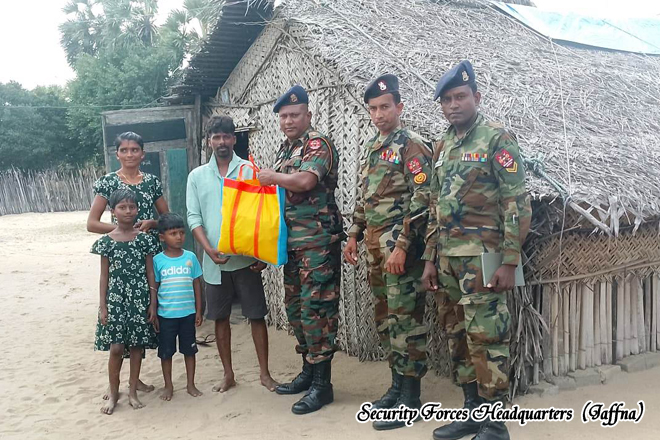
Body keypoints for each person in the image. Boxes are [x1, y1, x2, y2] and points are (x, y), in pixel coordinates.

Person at [421, 60, 532, 440]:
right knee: (458, 338)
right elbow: (435, 205)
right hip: (449, 261)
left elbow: (516, 201)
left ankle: (495, 425)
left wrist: (509, 261)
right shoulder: (443, 144)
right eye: (447, 100)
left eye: (460, 97)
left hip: (485, 259)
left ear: (476, 97)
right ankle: (473, 413)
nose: (453, 105)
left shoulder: (496, 138)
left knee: (489, 339)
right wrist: (430, 258)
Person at [343, 74, 432, 430]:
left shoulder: (412, 145)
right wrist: (354, 234)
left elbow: (423, 199)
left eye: (385, 107)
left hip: (399, 250)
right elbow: (367, 197)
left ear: (399, 107)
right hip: (375, 250)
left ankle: (411, 398)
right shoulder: (372, 147)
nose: (379, 114)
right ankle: (396, 387)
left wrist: (403, 246)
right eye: (373, 109)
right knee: (385, 319)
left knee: (406, 322)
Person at [257, 85, 344, 415]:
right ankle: (308, 372)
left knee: (316, 311)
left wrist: (272, 177)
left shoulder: (317, 144)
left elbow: (307, 181)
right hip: (292, 245)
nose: (288, 121)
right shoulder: (286, 149)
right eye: (283, 116)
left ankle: (323, 385)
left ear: (308, 115)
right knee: (295, 309)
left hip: (317, 244)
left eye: (294, 115)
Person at [186, 115, 278, 393]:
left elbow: (264, 213)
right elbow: (193, 218)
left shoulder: (250, 170)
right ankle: (228, 374)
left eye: (226, 136)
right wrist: (208, 249)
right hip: (214, 264)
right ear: (209, 141)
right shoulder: (197, 176)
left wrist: (262, 255)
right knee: (220, 318)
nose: (222, 142)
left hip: (247, 261)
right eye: (216, 137)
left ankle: (265, 374)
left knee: (256, 316)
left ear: (234, 139)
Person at [87, 131, 169, 397]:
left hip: (146, 256)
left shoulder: (152, 182)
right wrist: (123, 231)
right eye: (124, 150)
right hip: (121, 255)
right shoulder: (108, 182)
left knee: (140, 318)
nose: (130, 154)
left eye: (135, 149)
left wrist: (152, 223)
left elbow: (166, 218)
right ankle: (117, 383)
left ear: (143, 154)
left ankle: (136, 380)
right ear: (117, 154)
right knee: (119, 327)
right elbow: (92, 223)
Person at [92, 188, 160, 415]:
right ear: (113, 211)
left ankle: (132, 392)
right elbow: (104, 276)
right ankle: (114, 392)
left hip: (139, 297)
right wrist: (103, 306)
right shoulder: (106, 242)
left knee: (137, 346)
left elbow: (150, 273)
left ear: (138, 209)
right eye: (122, 207)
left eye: (132, 207)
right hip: (116, 299)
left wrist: (153, 303)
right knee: (116, 348)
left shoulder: (145, 240)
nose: (128, 211)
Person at [153, 213, 204, 401]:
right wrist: (154, 312)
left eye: (181, 233)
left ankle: (190, 384)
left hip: (188, 315)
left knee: (189, 350)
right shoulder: (158, 260)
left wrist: (199, 310)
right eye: (173, 233)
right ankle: (168, 385)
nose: (179, 237)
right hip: (166, 316)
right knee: (166, 353)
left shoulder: (190, 257)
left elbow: (197, 284)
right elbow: (155, 287)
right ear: (162, 237)